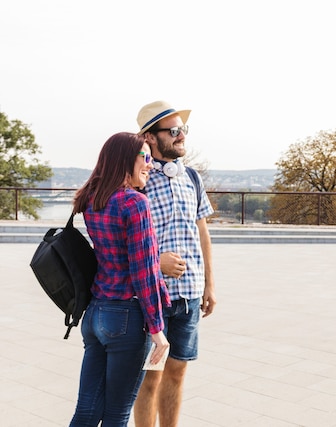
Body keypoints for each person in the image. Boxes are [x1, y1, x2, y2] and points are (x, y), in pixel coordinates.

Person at [70, 132, 170, 426]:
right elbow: (145, 270)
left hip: (96, 313)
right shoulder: (135, 203)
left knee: (87, 410)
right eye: (146, 157)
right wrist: (156, 329)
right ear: (125, 159)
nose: (151, 165)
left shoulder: (92, 199)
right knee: (117, 413)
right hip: (126, 317)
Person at [133, 101, 217, 427]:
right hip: (151, 295)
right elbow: (125, 240)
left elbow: (202, 233)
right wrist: (158, 262)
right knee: (150, 376)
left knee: (178, 372)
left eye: (183, 129)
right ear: (151, 138)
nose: (182, 136)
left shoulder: (192, 178)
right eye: (174, 130)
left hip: (190, 294)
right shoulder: (138, 179)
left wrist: (209, 284)